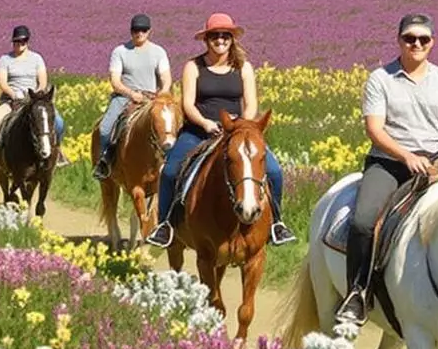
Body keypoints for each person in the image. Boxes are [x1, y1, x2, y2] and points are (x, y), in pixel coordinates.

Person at [336, 12, 438, 332]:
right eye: (410, 38)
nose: (417, 44)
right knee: (364, 220)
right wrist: (406, 156)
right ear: (399, 40)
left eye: (423, 39)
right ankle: (358, 290)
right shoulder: (380, 79)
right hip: (390, 161)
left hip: (436, 159)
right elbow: (375, 129)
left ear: (432, 43)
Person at [147, 12, 294, 247]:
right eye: (215, 36)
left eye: (225, 35)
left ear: (232, 39)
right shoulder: (193, 66)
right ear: (206, 39)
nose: (220, 40)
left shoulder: (244, 67)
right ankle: (165, 224)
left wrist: (242, 126)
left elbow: (252, 103)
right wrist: (206, 123)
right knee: (170, 171)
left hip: (237, 132)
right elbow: (187, 103)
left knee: (274, 171)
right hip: (199, 131)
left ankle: (277, 223)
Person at [93, 13, 171, 179]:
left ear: (150, 31)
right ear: (131, 31)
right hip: (124, 97)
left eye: (143, 30)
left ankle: (172, 162)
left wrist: (163, 92)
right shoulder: (120, 51)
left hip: (151, 98)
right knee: (105, 128)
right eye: (136, 30)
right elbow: (115, 81)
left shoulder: (159, 52)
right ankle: (105, 160)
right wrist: (131, 94)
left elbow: (166, 77)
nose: (139, 33)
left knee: (170, 125)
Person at [0, 23, 64, 155]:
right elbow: (3, 83)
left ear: (27, 41)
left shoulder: (36, 58)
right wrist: (14, 94)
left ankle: (58, 151)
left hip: (34, 99)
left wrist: (36, 94)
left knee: (58, 122)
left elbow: (43, 81)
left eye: (23, 41)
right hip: (11, 99)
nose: (19, 44)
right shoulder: (5, 59)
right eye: (16, 41)